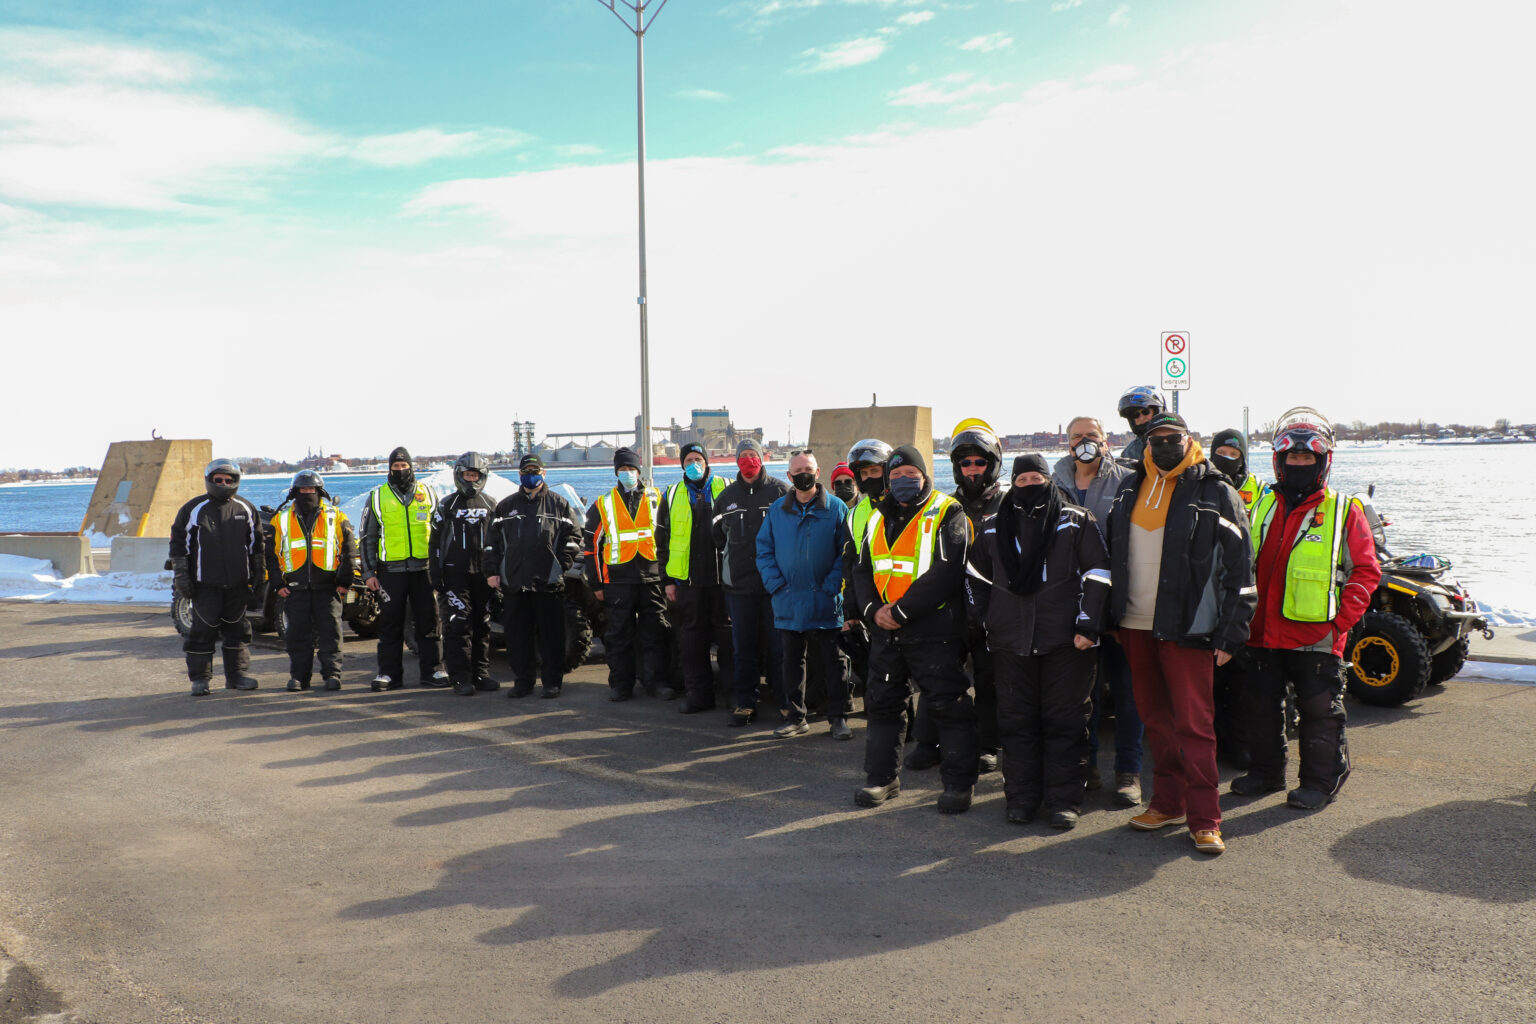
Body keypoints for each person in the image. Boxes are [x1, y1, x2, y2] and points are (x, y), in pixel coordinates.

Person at [1105, 412, 1256, 855]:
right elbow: (1115, 552)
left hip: (1189, 628)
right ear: (1146, 444)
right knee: (1155, 719)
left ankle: (1205, 817)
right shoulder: (1129, 487)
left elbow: (1241, 569)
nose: (1165, 445)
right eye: (1157, 439)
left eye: (1173, 438)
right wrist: (1110, 616)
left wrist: (1231, 633)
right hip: (1134, 624)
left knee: (1194, 724)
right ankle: (1166, 802)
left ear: (1189, 440)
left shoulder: (1216, 492)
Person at [1233, 408, 1380, 810]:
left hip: (1316, 633)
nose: (1299, 464)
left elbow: (1365, 571)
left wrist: (1339, 623)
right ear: (1280, 462)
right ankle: (1265, 772)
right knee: (1261, 709)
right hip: (1261, 630)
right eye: (1292, 458)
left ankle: (1321, 781)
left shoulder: (1343, 509)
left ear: (1322, 461)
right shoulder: (1261, 502)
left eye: (1307, 458)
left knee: (1320, 714)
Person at [968, 454, 1111, 829]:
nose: (1030, 484)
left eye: (1037, 477)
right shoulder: (991, 528)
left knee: (1065, 721)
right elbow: (974, 578)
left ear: (1049, 481)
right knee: (1017, 723)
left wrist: (1088, 625)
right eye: (1022, 479)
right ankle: (1021, 797)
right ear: (1012, 484)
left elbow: (1098, 573)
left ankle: (1064, 800)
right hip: (1010, 643)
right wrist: (985, 620)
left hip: (1068, 641)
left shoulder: (1076, 521)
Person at [851, 446, 977, 813]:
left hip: (933, 630)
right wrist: (875, 610)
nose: (903, 482)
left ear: (924, 476)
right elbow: (861, 571)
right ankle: (881, 779)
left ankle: (958, 785)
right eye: (895, 477)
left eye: (910, 475)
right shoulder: (875, 518)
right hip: (886, 632)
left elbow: (947, 571)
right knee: (883, 706)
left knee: (949, 707)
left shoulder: (947, 512)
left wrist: (901, 611)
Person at [1050, 415, 1143, 806]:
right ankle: (1085, 766)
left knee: (1128, 692)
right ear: (1067, 443)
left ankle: (1128, 772)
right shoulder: (1053, 482)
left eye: (1091, 436)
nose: (1084, 442)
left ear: (1106, 441)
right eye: (1076, 437)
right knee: (1081, 694)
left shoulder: (1127, 480)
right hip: (1075, 605)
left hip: (1121, 603)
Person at [906, 419, 1004, 774]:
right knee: (938, 676)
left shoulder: (1007, 502)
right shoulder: (944, 505)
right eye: (965, 463)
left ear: (992, 464)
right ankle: (928, 741)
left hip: (994, 606)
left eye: (979, 462)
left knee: (990, 679)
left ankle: (989, 743)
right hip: (949, 606)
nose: (973, 469)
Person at [755, 449, 852, 739]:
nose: (803, 475)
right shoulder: (777, 510)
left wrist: (832, 585)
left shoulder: (836, 508)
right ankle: (795, 716)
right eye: (797, 472)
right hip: (788, 599)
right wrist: (775, 584)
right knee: (791, 661)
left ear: (818, 471)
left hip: (825, 599)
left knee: (834, 662)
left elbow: (845, 554)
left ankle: (838, 718)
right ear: (789, 476)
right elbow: (763, 550)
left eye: (808, 469)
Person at [489, 454, 583, 699]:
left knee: (551, 636)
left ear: (544, 473)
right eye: (526, 471)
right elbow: (493, 544)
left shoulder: (559, 504)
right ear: (519, 475)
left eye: (535, 470)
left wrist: (559, 566)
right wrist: (492, 572)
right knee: (518, 636)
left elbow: (573, 539)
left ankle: (552, 682)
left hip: (547, 583)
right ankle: (523, 681)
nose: (531, 475)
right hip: (514, 582)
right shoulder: (505, 506)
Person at [169, 458, 266, 696]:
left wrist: (258, 578)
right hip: (205, 586)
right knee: (203, 632)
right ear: (209, 480)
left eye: (228, 480)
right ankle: (200, 679)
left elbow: (257, 547)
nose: (224, 483)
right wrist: (181, 577)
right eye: (218, 480)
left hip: (238, 585)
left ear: (236, 482)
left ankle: (237, 676)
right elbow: (178, 546)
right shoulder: (193, 509)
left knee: (238, 631)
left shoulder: (245, 508)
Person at [713, 438, 792, 726]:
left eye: (752, 455)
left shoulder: (781, 491)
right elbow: (718, 536)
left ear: (762, 459)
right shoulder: (726, 497)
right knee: (742, 648)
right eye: (743, 456)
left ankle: (785, 701)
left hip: (775, 587)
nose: (748, 460)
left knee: (779, 647)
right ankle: (745, 702)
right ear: (736, 461)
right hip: (739, 588)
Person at [585, 447, 670, 702]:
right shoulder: (603, 504)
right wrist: (597, 583)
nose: (627, 474)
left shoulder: (658, 498)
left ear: (639, 470)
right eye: (622, 470)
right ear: (615, 472)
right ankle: (621, 684)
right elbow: (591, 548)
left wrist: (668, 577)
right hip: (618, 580)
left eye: (631, 469)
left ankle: (655, 682)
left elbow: (669, 539)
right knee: (618, 635)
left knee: (655, 632)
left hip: (652, 578)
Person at [361, 446, 447, 691]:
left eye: (404, 466)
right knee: (390, 623)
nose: (400, 470)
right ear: (389, 469)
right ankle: (388, 674)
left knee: (429, 622)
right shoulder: (377, 496)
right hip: (391, 572)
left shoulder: (428, 493)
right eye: (396, 467)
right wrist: (368, 573)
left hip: (424, 569)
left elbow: (441, 533)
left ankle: (433, 671)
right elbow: (367, 537)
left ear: (412, 467)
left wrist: (440, 568)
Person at [657, 442, 733, 714]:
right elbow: (662, 541)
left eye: (698, 458)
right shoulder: (671, 494)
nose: (694, 464)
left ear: (706, 460)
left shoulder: (726, 487)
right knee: (691, 643)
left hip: (723, 580)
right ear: (681, 464)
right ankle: (698, 696)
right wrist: (667, 580)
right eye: (688, 459)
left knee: (728, 642)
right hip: (688, 583)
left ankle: (734, 696)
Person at [267, 470, 355, 693]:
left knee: (331, 634)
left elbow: (348, 550)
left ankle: (332, 675)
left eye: (311, 489)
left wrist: (345, 580)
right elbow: (271, 554)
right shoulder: (281, 519)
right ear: (295, 492)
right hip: (296, 589)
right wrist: (278, 584)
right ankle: (299, 678)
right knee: (297, 636)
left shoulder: (337, 516)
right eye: (303, 490)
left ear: (320, 491)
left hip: (328, 587)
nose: (307, 493)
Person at [1208, 427, 1263, 766]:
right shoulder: (1203, 487)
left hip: (1245, 591)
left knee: (1244, 679)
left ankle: (1242, 744)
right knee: (1211, 678)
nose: (1226, 460)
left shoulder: (1259, 492)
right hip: (1210, 594)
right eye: (1220, 453)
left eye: (1233, 454)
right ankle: (1212, 743)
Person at [430, 452, 499, 697]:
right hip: (454, 576)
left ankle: (481, 673)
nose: (471, 480)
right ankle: (460, 677)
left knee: (483, 624)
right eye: (467, 475)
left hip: (483, 575)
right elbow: (435, 542)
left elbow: (498, 542)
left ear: (482, 477)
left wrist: (497, 571)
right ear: (459, 476)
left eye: (475, 475)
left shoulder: (491, 504)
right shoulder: (446, 505)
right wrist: (435, 573)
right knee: (458, 624)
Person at [1209, 428, 1265, 515]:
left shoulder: (1260, 489)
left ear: (1242, 459)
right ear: (1212, 455)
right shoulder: (1199, 484)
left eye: (1233, 454)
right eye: (1221, 452)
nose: (1226, 458)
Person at [1115, 385, 1167, 466]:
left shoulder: (1175, 440)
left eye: (1146, 412)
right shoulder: (1130, 452)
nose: (1141, 417)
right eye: (1135, 415)